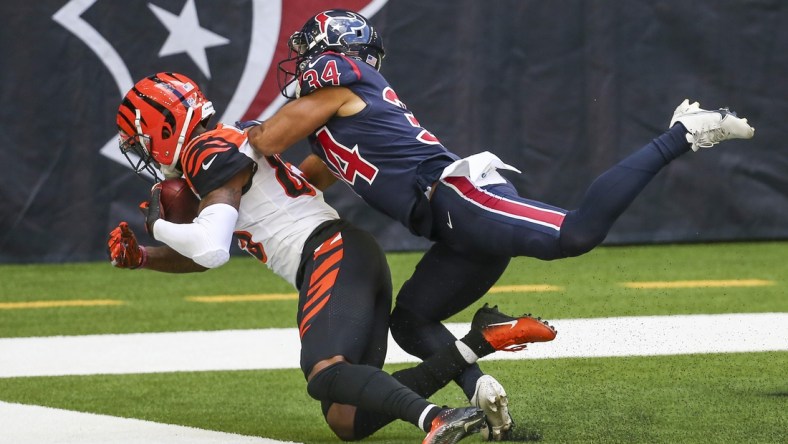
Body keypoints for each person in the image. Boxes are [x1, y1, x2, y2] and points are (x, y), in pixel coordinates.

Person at [243, 9, 756, 440]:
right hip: (449, 227)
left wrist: (218, 151)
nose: (302, 59)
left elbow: (265, 142)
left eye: (309, 48)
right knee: (412, 319)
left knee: (575, 234)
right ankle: (481, 392)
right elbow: (297, 182)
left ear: (334, 51)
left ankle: (682, 133)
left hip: (459, 197)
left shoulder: (342, 84)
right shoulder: (336, 122)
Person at [106, 72, 558, 443]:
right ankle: (480, 340)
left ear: (162, 129)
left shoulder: (205, 151)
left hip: (329, 253)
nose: (141, 152)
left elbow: (210, 247)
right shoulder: (222, 146)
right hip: (346, 254)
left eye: (140, 140)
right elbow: (207, 252)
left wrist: (157, 227)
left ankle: (436, 417)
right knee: (347, 419)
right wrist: (143, 257)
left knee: (323, 373)